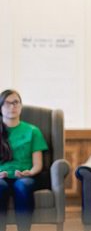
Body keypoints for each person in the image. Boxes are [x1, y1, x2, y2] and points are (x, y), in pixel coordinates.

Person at [0, 89, 48, 231]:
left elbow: (37, 164)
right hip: (1, 177)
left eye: (16, 102)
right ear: (0, 107)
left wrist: (30, 172)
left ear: (21, 106)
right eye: (7, 103)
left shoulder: (33, 131)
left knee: (22, 186)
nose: (12, 107)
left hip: (24, 176)